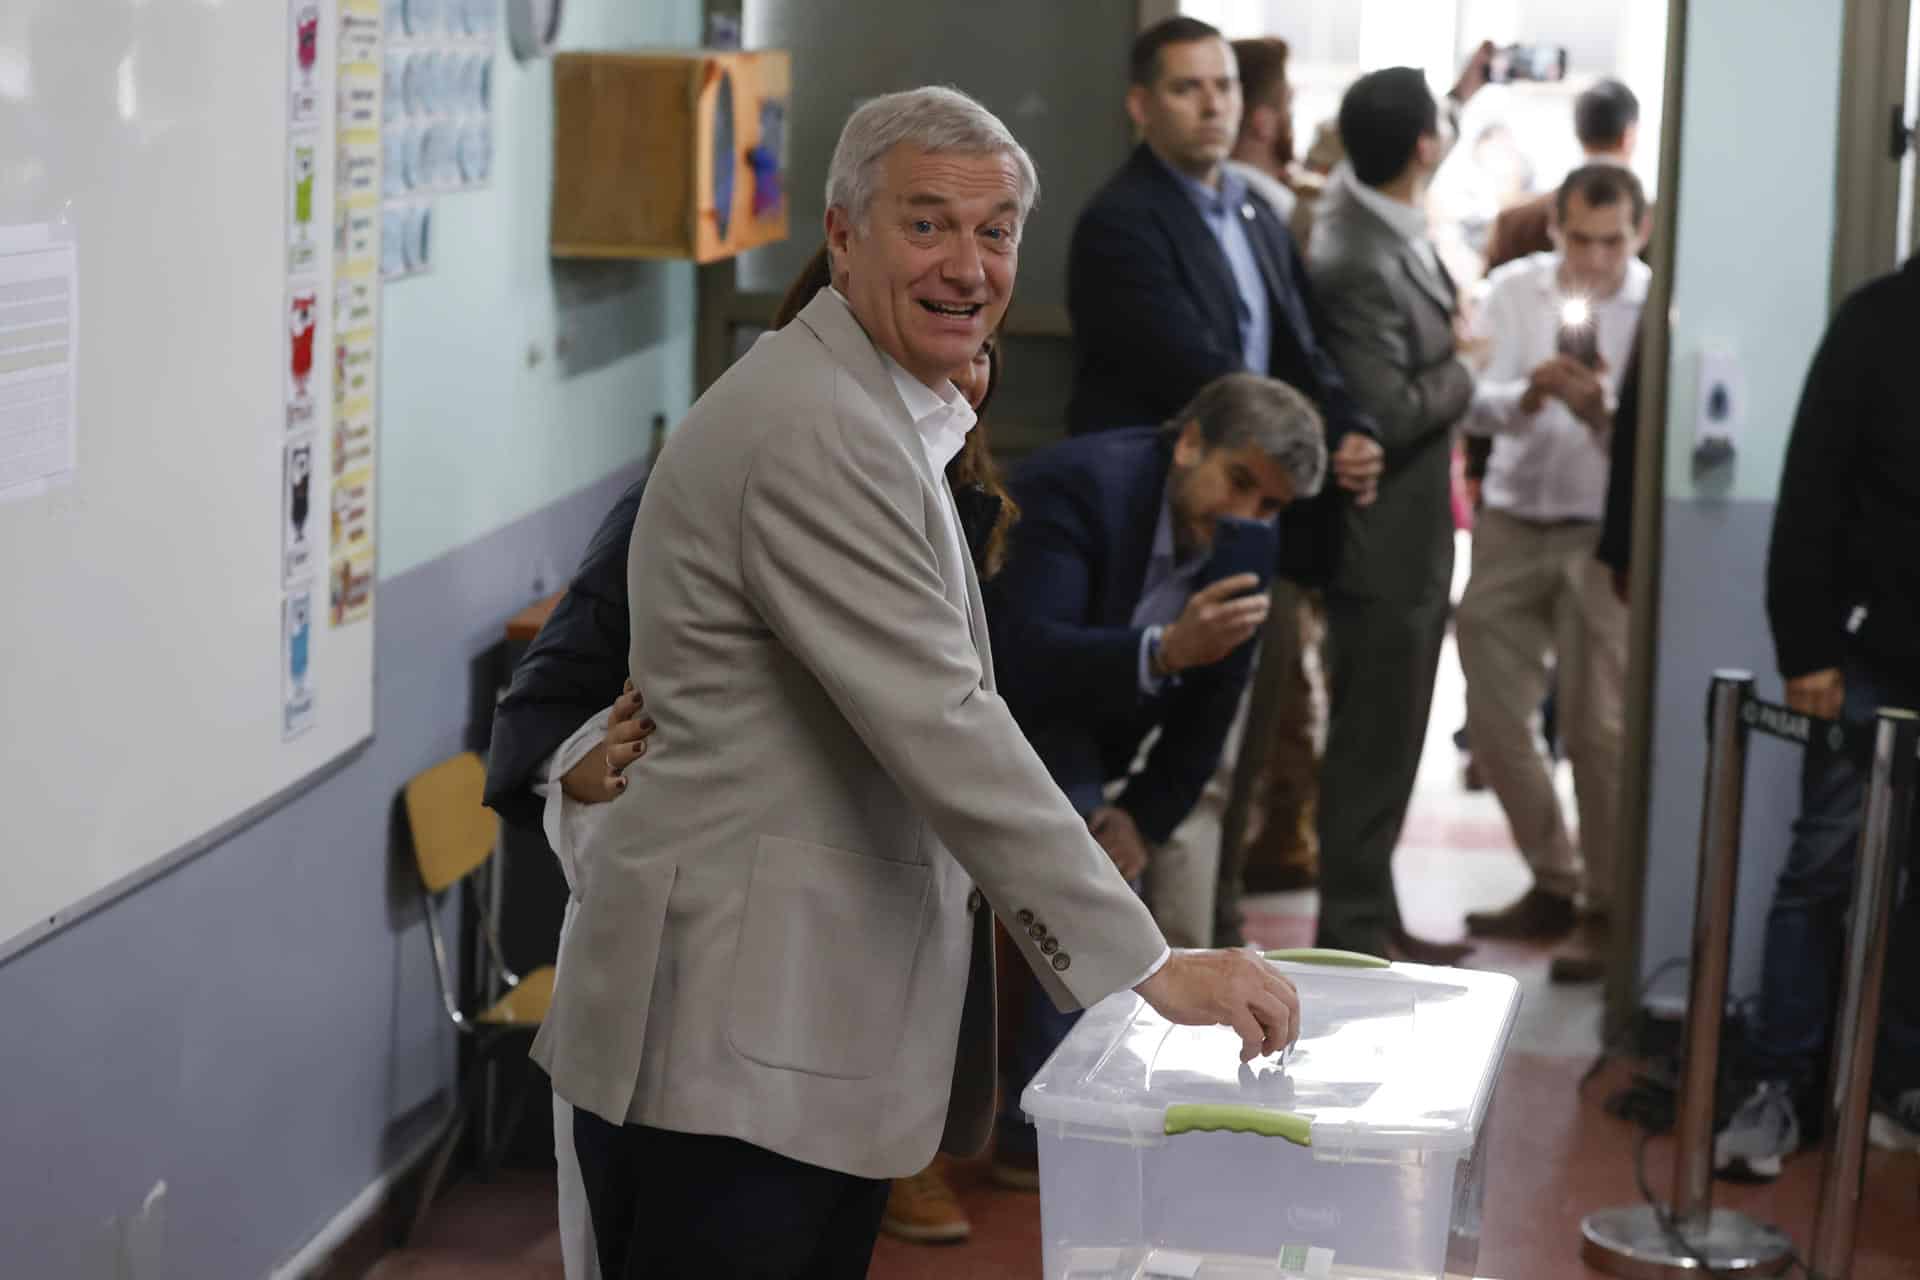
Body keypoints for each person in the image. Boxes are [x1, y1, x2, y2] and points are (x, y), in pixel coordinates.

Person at [529, 87, 1301, 1278]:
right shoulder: (817, 427)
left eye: (995, 232)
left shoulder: (886, 415)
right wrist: (1148, 962)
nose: (969, 265)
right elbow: (943, 720)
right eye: (927, 224)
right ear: (840, 236)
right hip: (725, 1050)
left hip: (788, 1038)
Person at [482, 242, 1018, 1265]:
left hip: (856, 989)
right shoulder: (721, 475)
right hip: (710, 989)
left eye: (982, 348)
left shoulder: (960, 506)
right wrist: (579, 754)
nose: (961, 366)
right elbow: (540, 703)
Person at [1065, 16, 1385, 950]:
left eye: (1223, 87)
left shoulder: (1251, 209)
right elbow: (1199, 375)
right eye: (1186, 88)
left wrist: (1350, 432)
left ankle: (1219, 933)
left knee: (1233, 761)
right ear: (1140, 104)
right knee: (1166, 768)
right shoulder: (1122, 221)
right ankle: (1165, 977)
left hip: (1261, 516)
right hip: (1165, 518)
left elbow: (1303, 345)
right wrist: (1316, 437)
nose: (1213, 105)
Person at [984, 373, 1327, 1187]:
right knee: (1076, 850)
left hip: (1099, 736)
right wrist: (1165, 651)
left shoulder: (1247, 544)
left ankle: (1106, 1106)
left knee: (1134, 854)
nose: (1248, 515)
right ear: (1189, 442)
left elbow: (1212, 714)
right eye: (1239, 482)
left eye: (1272, 504)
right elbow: (1026, 660)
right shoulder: (1081, 489)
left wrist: (1140, 815)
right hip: (1001, 716)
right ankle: (1032, 1130)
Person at [1713, 255, 1920, 1181]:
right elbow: (1812, 494)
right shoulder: (1876, 322)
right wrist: (1807, 652)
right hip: (1869, 659)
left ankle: (1900, 1083)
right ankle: (1780, 1086)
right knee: (1822, 870)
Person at [1455, 165, 1651, 984]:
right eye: (1580, 239)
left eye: (1612, 241)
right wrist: (1524, 398)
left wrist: (1606, 414)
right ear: (1556, 228)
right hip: (1510, 520)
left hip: (1597, 534)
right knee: (1494, 717)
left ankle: (1605, 905)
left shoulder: (1654, 311)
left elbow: (1648, 444)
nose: (1595, 259)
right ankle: (1554, 875)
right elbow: (1466, 399)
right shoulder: (1513, 289)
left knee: (1598, 729)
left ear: (1638, 233)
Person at [1307, 67, 1480, 963]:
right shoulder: (1358, 256)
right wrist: (1472, 361)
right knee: (1371, 745)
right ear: (1425, 145)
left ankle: (1370, 915)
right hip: (1381, 548)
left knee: (1392, 741)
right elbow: (1393, 406)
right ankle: (1351, 930)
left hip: (1411, 538)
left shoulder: (1386, 230)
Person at [1483, 78, 1640, 273]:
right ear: (1629, 136)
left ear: (1577, 132)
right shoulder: (1663, 225)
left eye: (1612, 241)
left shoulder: (1514, 222)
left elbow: (1485, 296)